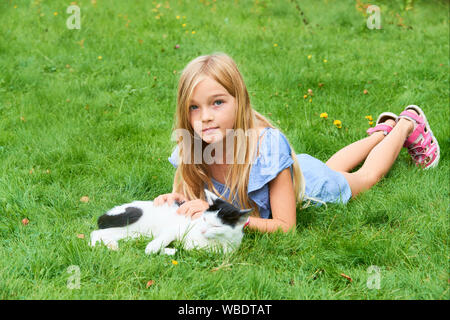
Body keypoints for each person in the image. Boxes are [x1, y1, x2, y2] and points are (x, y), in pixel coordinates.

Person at [153, 52, 440, 233]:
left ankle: (407, 123)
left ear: (239, 102)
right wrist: (175, 200)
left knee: (364, 177)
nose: (205, 117)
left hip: (314, 188)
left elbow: (285, 227)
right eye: (194, 107)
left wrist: (225, 216)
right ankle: (382, 131)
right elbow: (191, 198)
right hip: (296, 173)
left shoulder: (267, 148)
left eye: (217, 102)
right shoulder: (191, 146)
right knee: (330, 166)